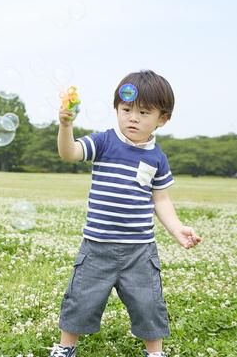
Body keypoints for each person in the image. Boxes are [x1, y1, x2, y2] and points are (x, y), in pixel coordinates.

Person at [51, 70, 202, 357]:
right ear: (117, 110)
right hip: (97, 246)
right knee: (80, 299)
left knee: (149, 303)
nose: (133, 117)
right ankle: (65, 348)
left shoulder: (157, 158)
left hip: (140, 251)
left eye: (144, 112)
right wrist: (65, 125)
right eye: (126, 109)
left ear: (162, 119)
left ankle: (154, 352)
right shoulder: (104, 142)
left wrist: (177, 228)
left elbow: (161, 200)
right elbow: (69, 153)